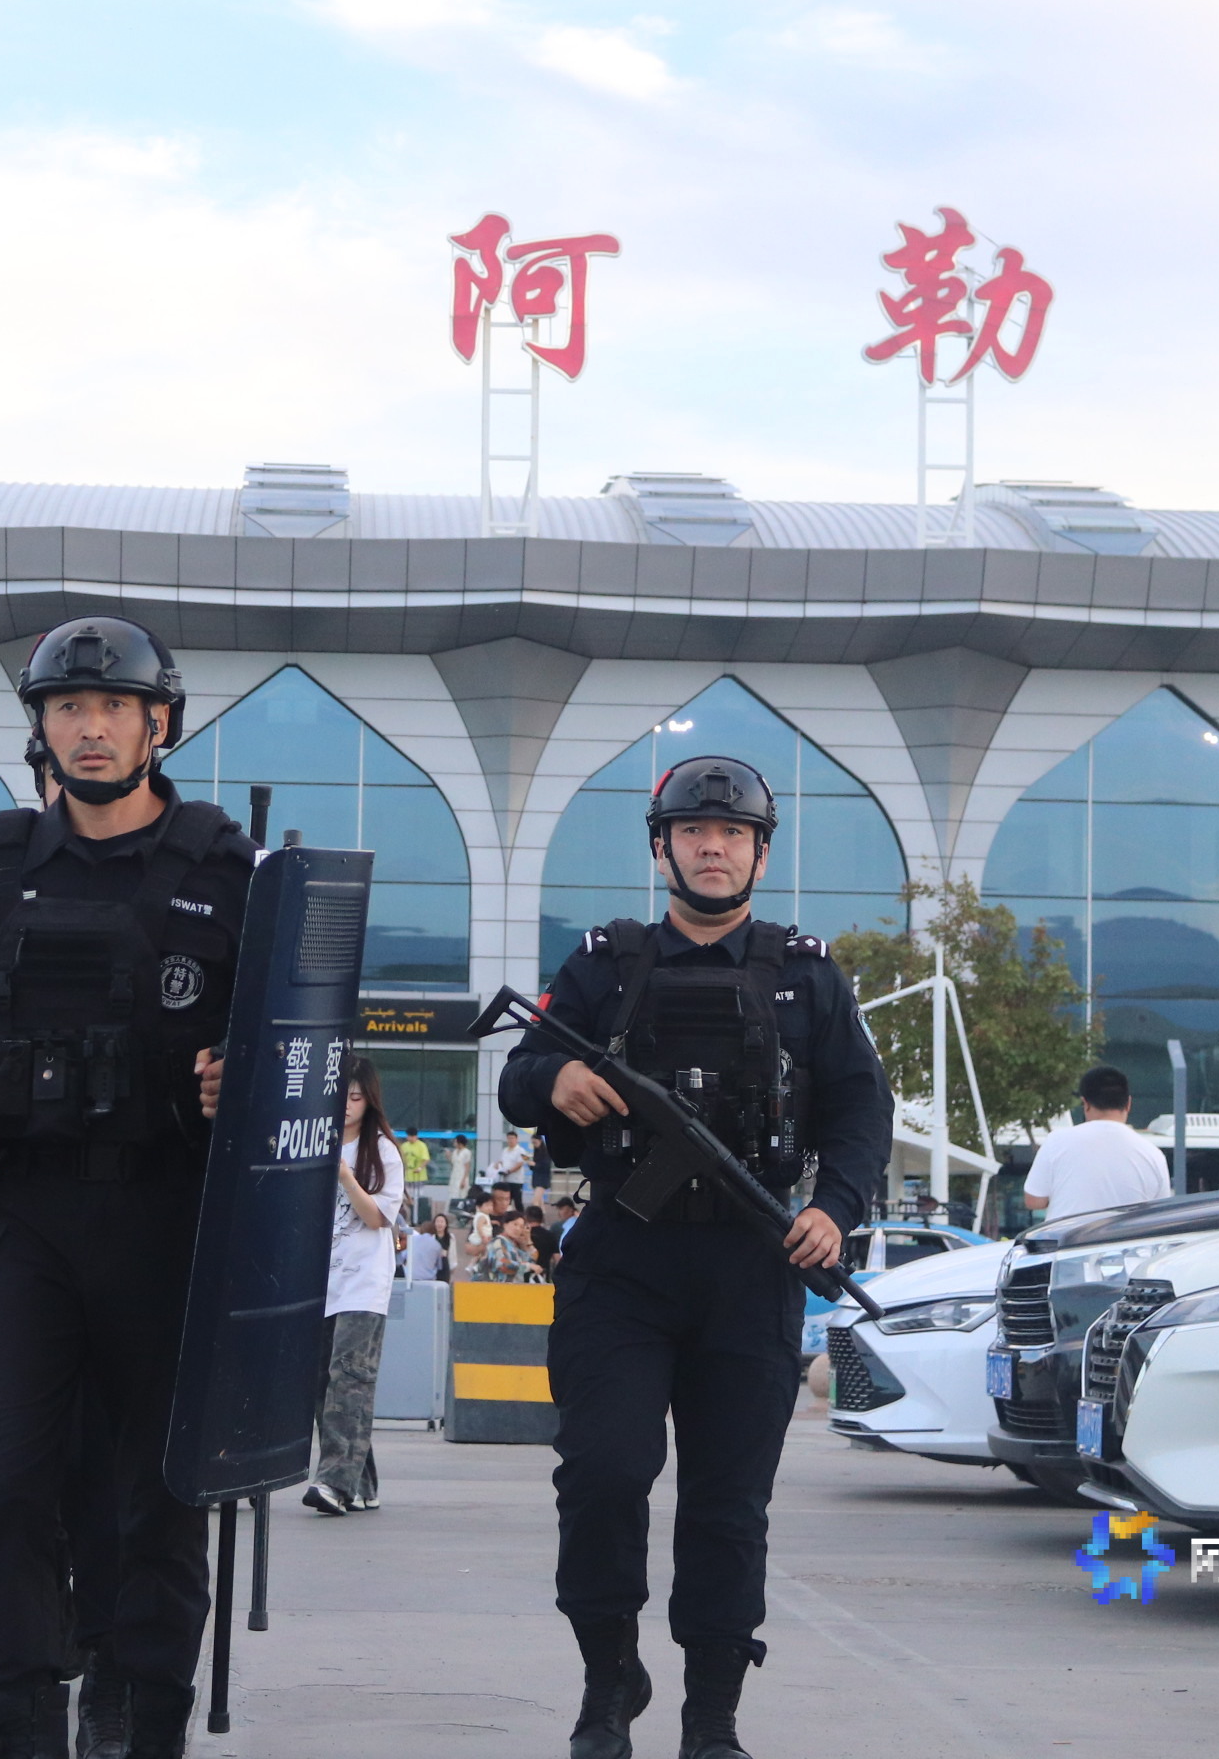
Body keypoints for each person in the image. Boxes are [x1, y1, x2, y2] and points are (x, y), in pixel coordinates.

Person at [0, 616, 257, 1759]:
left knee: (160, 1502)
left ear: (159, 723)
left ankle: (144, 1721)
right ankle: (24, 1726)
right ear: (42, 727)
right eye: (67, 707)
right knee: (4, 1484)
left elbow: (302, 1041)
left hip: (167, 1220)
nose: (89, 727)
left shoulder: (225, 868)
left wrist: (243, 1077)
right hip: (26, 1216)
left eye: (113, 707)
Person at [499, 754, 891, 1759]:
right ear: (661, 847)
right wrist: (557, 1079)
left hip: (751, 1265)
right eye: (693, 831)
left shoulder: (807, 974)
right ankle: (608, 1681)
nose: (713, 848)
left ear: (761, 852)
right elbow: (520, 1071)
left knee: (727, 1506)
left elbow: (860, 1110)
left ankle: (711, 1719)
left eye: (733, 834)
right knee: (602, 1473)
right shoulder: (607, 962)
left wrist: (835, 1210)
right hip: (623, 1261)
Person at [305, 1055, 404, 1517]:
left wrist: (345, 1177)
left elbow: (378, 1217)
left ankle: (334, 1483)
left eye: (356, 1097)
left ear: (370, 1101)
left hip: (363, 1283)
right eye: (340, 1096)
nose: (346, 1105)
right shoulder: (312, 1141)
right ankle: (363, 1483)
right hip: (318, 1283)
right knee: (322, 1384)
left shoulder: (382, 1150)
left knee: (350, 1379)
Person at [1021, 1066, 1170, 1221]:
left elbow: (1034, 1201)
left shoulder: (1056, 1141)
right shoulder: (1152, 1154)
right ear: (1128, 1103)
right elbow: (1161, 1213)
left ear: (1085, 1103)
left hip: (1068, 1235)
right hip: (1126, 1236)